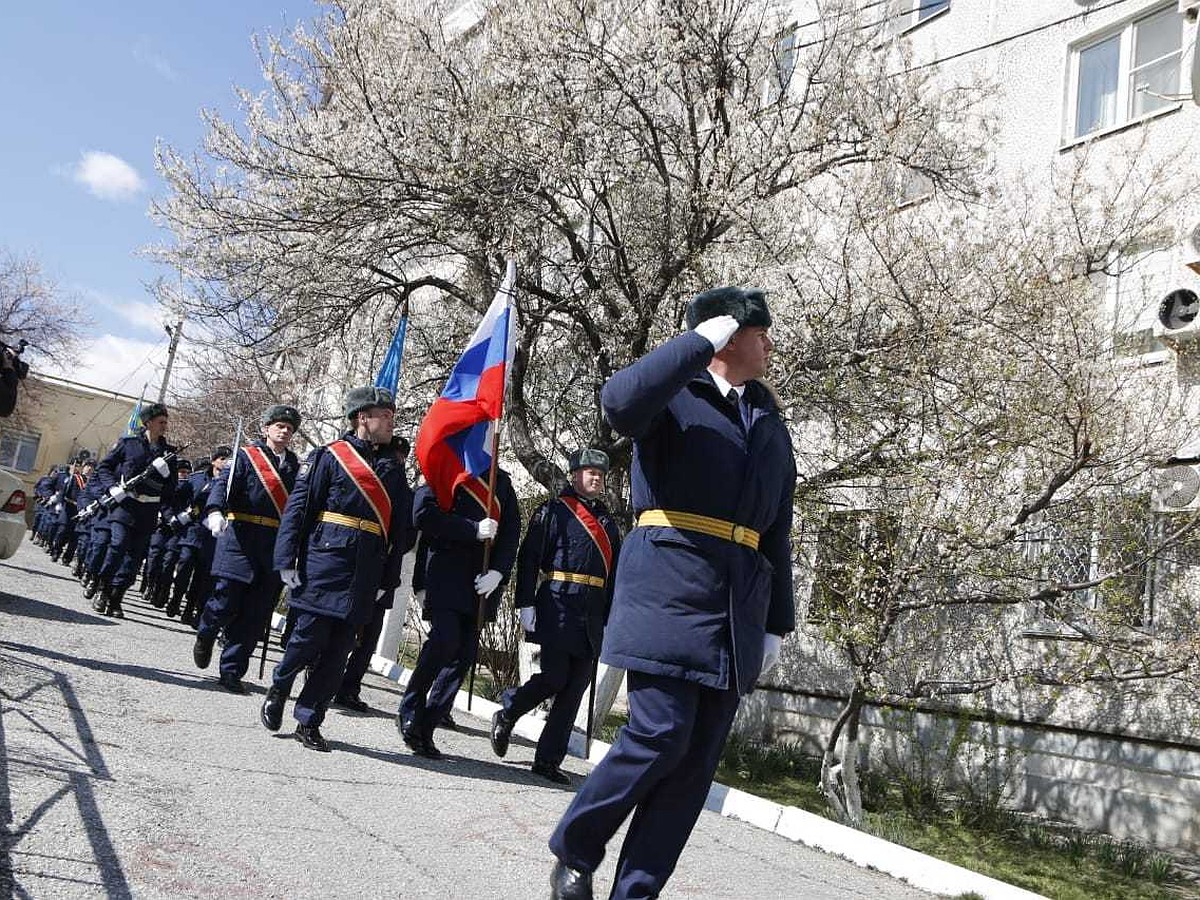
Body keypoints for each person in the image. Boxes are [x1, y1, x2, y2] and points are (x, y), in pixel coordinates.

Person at [546, 287, 797, 900]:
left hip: (738, 605)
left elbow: (778, 525)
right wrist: (698, 340)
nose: (770, 344)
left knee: (693, 766)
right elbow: (618, 402)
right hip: (670, 588)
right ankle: (575, 849)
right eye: (758, 332)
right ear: (729, 336)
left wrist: (775, 625)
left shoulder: (767, 419)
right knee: (660, 733)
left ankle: (636, 892)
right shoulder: (673, 400)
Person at [260, 387, 412, 752]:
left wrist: (387, 580)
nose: (392, 422)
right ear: (363, 418)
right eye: (385, 416)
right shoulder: (329, 457)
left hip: (365, 570)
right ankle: (280, 685)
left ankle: (309, 719)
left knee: (339, 651)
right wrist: (286, 560)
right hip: (325, 561)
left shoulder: (393, 468)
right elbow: (299, 510)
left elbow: (401, 529)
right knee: (306, 640)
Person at [490, 448, 622, 784]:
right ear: (574, 475)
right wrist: (525, 603)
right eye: (590, 472)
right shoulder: (553, 512)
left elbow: (615, 574)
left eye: (601, 474)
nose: (596, 478)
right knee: (554, 677)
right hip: (558, 602)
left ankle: (548, 760)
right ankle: (509, 709)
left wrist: (611, 617)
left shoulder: (607, 522)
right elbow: (529, 558)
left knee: (574, 687)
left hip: (591, 610)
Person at [396, 463, 520, 760]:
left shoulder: (501, 483)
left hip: (480, 583)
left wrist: (500, 573)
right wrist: (472, 530)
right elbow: (423, 514)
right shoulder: (447, 467)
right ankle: (410, 709)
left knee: (463, 655)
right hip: (445, 574)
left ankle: (426, 726)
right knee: (444, 641)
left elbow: (511, 532)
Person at [193, 405, 301, 693]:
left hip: (272, 545)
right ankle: (206, 631)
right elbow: (222, 488)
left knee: (255, 614)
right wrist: (215, 510)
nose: (284, 430)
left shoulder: (295, 467)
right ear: (266, 429)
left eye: (289, 427)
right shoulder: (245, 457)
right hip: (239, 537)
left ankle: (231, 670)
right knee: (224, 601)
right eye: (278, 425)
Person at [334, 433, 412, 713]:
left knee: (368, 640)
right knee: (344, 632)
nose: (399, 461)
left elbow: (407, 535)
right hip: (356, 569)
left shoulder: (404, 491)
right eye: (395, 456)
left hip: (383, 570)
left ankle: (349, 688)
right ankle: (326, 676)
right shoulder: (364, 486)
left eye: (403, 458)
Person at [91, 403, 179, 618]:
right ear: (148, 422)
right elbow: (104, 467)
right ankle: (102, 588)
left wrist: (166, 473)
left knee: (134, 558)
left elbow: (171, 489)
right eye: (161, 422)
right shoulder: (128, 444)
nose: (164, 426)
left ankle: (116, 597)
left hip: (148, 510)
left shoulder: (169, 454)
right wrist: (111, 487)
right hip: (125, 505)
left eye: (166, 422)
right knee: (117, 546)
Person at [168, 449, 231, 625]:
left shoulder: (231, 482)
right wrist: (181, 515)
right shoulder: (196, 479)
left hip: (213, 536)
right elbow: (178, 497)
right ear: (213, 461)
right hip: (193, 532)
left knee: (203, 577)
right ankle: (176, 597)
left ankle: (190, 608)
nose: (225, 462)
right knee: (184, 566)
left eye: (228, 459)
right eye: (222, 458)